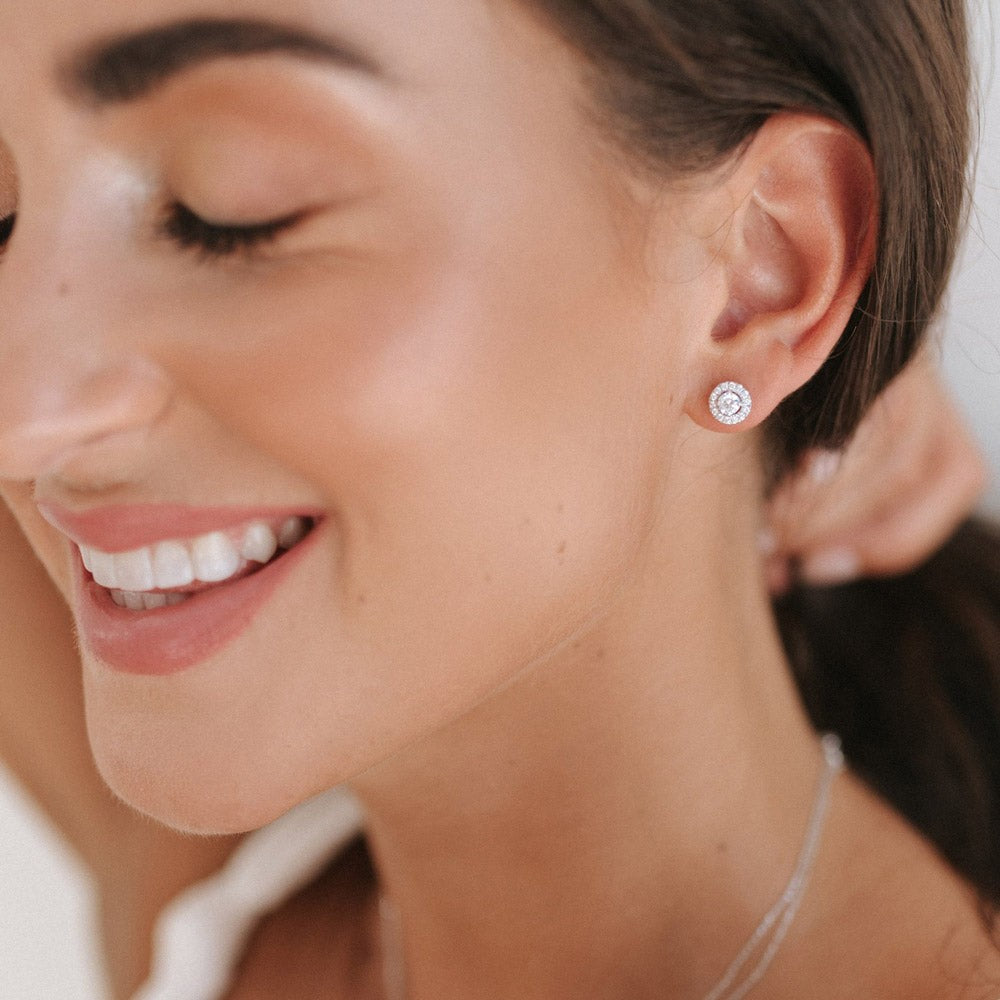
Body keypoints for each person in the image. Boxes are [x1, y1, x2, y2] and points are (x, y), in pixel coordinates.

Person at [0, 1, 997, 998]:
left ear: (767, 269)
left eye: (230, 210)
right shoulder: (224, 897)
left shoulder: (187, 872)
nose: (21, 421)